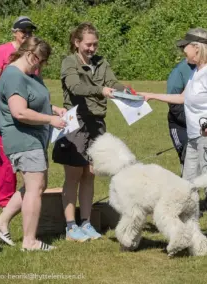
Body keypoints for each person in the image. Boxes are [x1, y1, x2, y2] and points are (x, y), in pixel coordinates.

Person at [140, 28, 207, 255]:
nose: (183, 51)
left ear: (196, 48)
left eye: (184, 47)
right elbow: (182, 98)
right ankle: (187, 236)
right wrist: (151, 95)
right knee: (186, 186)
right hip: (196, 137)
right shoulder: (196, 72)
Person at [0, 36, 67, 250]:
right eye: (40, 60)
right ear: (30, 55)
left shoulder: (29, 75)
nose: (40, 65)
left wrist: (54, 109)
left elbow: (36, 102)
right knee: (34, 188)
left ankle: (1, 221)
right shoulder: (14, 76)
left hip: (33, 138)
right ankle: (30, 241)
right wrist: (51, 120)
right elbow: (20, 111)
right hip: (23, 138)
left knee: (36, 185)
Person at [52, 22, 127, 242]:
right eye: (88, 44)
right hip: (76, 123)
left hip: (97, 124)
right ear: (77, 43)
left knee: (90, 174)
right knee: (73, 176)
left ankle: (86, 222)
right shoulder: (69, 62)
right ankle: (70, 226)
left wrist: (129, 92)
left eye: (95, 44)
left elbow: (112, 82)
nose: (92, 49)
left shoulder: (101, 62)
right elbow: (76, 87)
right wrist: (100, 90)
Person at [0, 16, 37, 209]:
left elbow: (37, 83)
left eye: (30, 31)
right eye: (24, 32)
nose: (27, 35)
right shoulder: (4, 50)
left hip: (29, 113)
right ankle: (5, 200)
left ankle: (28, 196)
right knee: (6, 161)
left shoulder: (34, 52)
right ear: (15, 32)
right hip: (6, 114)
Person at [166, 58, 196, 175]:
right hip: (181, 124)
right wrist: (191, 121)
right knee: (188, 159)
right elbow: (174, 104)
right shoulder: (180, 70)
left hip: (203, 125)